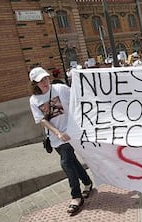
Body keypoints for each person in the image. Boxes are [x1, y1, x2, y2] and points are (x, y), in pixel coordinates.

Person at [28, 67, 93, 215]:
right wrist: (57, 133)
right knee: (72, 162)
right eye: (40, 81)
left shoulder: (60, 89)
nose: (45, 82)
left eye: (45, 78)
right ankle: (87, 183)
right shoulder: (34, 100)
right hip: (56, 137)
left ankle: (76, 196)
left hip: (70, 133)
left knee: (65, 163)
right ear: (34, 83)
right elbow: (42, 120)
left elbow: (78, 98)